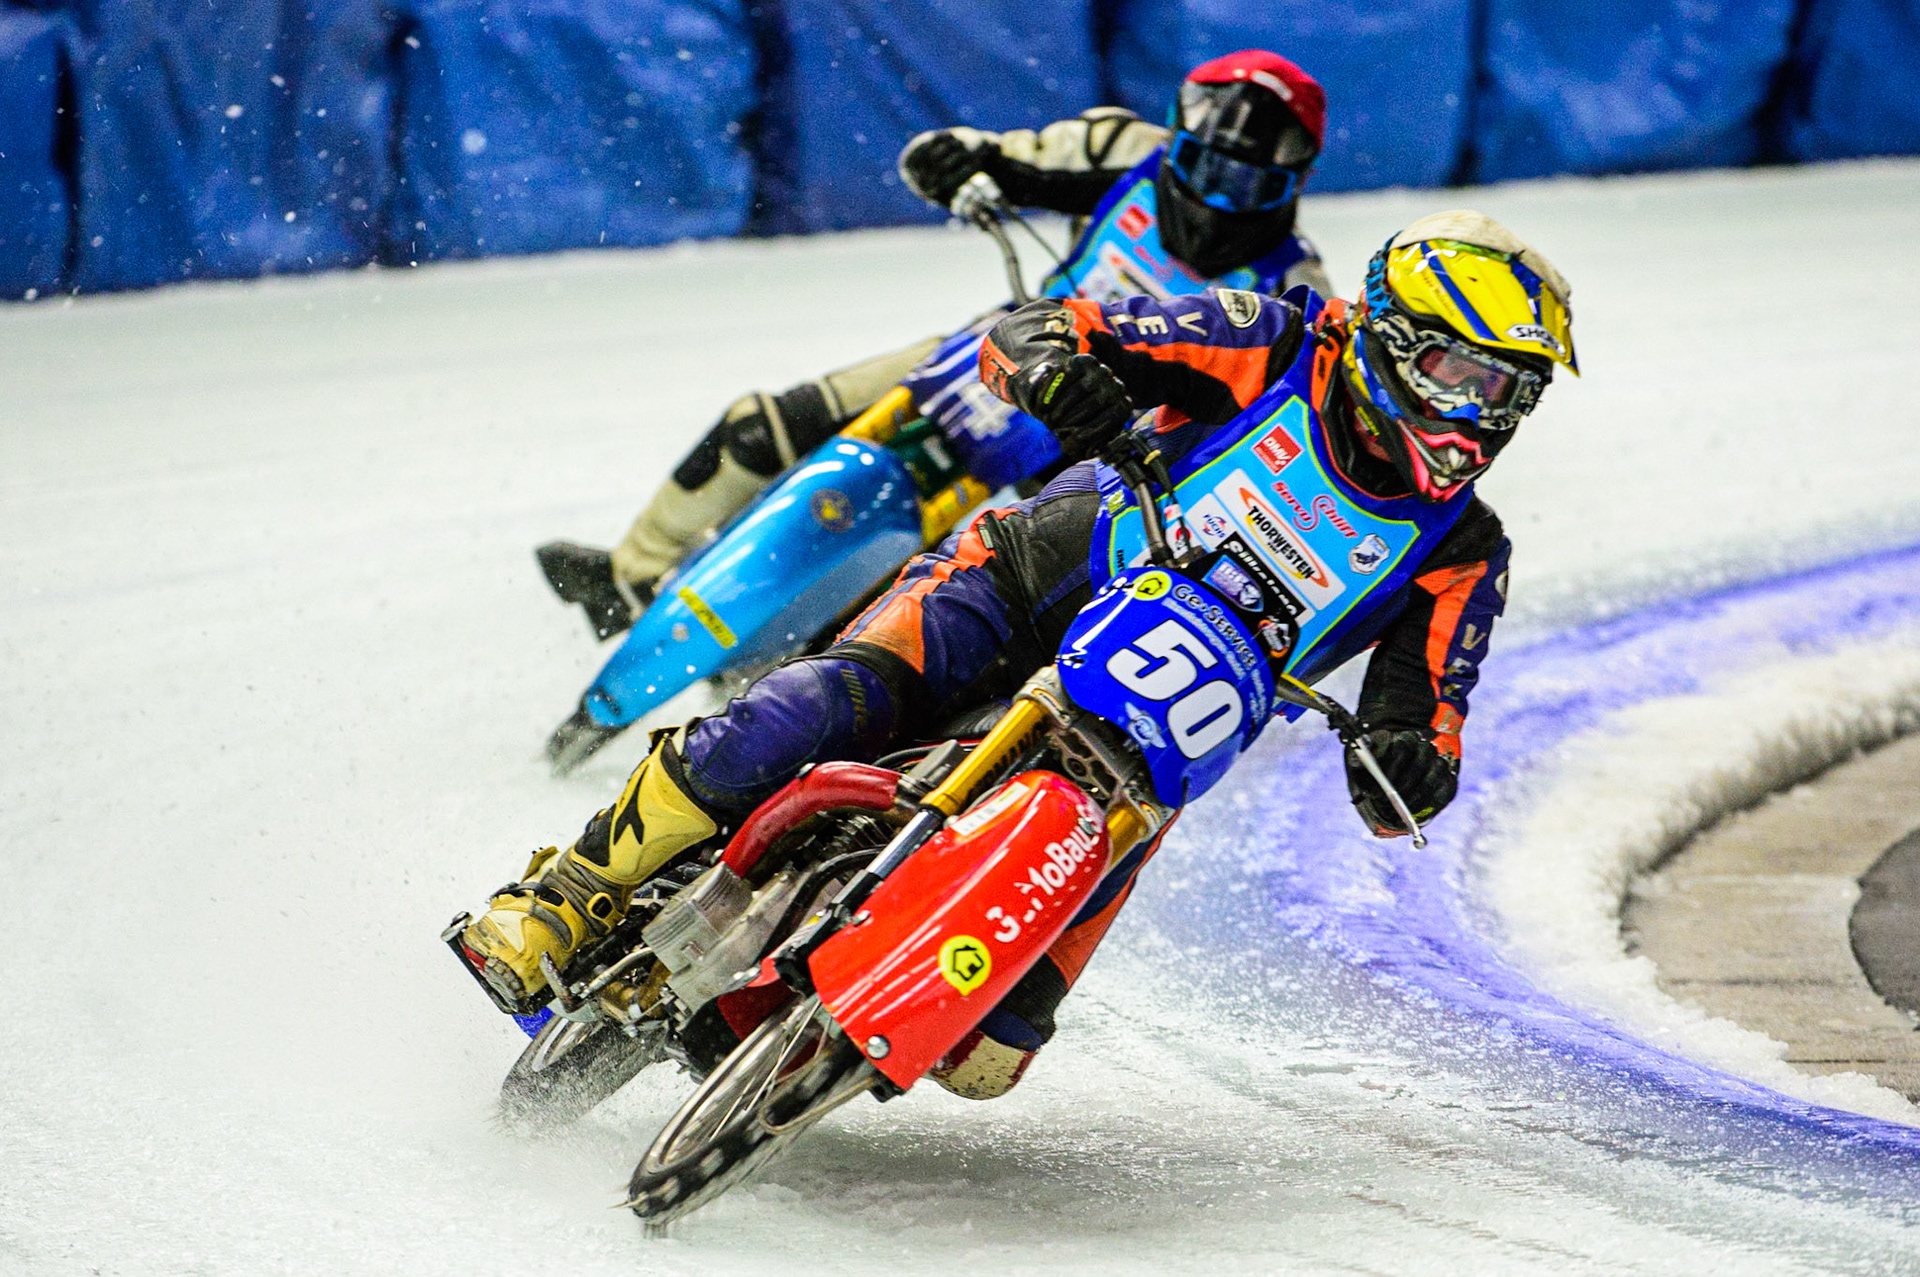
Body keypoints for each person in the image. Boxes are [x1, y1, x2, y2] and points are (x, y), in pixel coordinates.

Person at [459, 210, 1577, 1100]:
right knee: (808, 710)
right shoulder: (1276, 340)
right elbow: (1053, 328)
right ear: (1387, 338)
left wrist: (1409, 763)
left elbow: (1425, 722)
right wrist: (1056, 365)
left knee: (989, 1058)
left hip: (1138, 759)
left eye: (1509, 394)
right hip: (1026, 581)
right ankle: (566, 894)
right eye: (1463, 377)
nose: (1482, 417)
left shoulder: (1463, 552)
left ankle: (829, 996)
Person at [538, 50, 1336, 641]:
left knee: (996, 589)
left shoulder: (1296, 289)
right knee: (766, 423)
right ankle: (629, 574)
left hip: (1104, 436)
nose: (1213, 201)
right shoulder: (1120, 150)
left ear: (1294, 186)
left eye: (1249, 186)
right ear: (1175, 141)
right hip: (997, 349)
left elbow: (1285, 416)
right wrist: (949, 159)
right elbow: (990, 154)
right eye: (1201, 166)